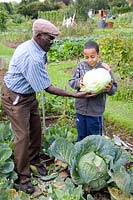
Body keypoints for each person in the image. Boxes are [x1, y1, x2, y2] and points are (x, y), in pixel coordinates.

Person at [1, 19, 88, 194]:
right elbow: (47, 88)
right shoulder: (31, 56)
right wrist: (74, 94)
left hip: (28, 94)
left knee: (36, 129)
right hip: (16, 98)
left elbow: (40, 77)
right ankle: (23, 177)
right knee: (22, 137)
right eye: (50, 38)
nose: (52, 42)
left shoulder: (37, 47)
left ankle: (34, 160)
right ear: (39, 36)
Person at [69, 40, 117, 141]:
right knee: (81, 136)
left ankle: (95, 155)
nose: (90, 60)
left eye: (92, 57)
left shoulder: (104, 69)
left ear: (98, 55)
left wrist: (110, 89)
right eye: (86, 57)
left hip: (95, 111)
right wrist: (78, 83)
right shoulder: (81, 66)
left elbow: (114, 89)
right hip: (80, 109)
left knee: (95, 138)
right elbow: (71, 82)